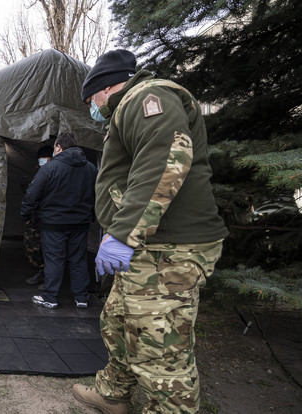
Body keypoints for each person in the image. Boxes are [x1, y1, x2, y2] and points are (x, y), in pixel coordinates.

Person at [72, 49, 229, 414]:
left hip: (170, 250)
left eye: (90, 99)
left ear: (104, 88)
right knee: (118, 321)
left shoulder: (145, 98)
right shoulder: (132, 106)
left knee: (159, 349)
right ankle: (112, 394)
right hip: (150, 245)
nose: (91, 107)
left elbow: (166, 160)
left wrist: (123, 232)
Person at [20, 133, 97, 309]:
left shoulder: (49, 168)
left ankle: (50, 297)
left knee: (54, 260)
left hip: (53, 224)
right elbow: (96, 195)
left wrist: (26, 215)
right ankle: (82, 298)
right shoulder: (91, 169)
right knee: (78, 259)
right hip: (81, 223)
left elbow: (32, 195)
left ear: (59, 147)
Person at [22, 145, 54, 286]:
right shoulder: (39, 173)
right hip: (36, 218)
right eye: (39, 159)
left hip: (51, 219)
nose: (41, 161)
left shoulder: (56, 171)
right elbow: (31, 196)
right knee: (32, 246)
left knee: (50, 250)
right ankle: (41, 271)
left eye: (44, 158)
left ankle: (48, 277)